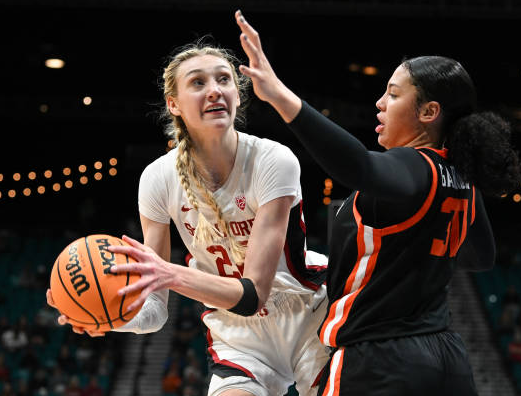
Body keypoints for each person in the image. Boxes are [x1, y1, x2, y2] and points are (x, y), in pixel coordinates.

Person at [234, 9, 521, 395]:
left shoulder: (413, 164)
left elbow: (357, 166)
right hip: (445, 358)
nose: (379, 102)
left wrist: (278, 95)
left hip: (381, 360)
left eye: (393, 93)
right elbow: (480, 257)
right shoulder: (462, 180)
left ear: (428, 112)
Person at [47, 40, 329, 396]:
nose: (214, 91)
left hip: (308, 317)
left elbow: (253, 294)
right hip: (237, 336)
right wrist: (109, 318)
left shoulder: (274, 160)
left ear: (238, 96)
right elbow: (156, 311)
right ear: (173, 104)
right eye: (198, 82)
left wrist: (170, 274)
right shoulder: (157, 179)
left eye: (224, 80)